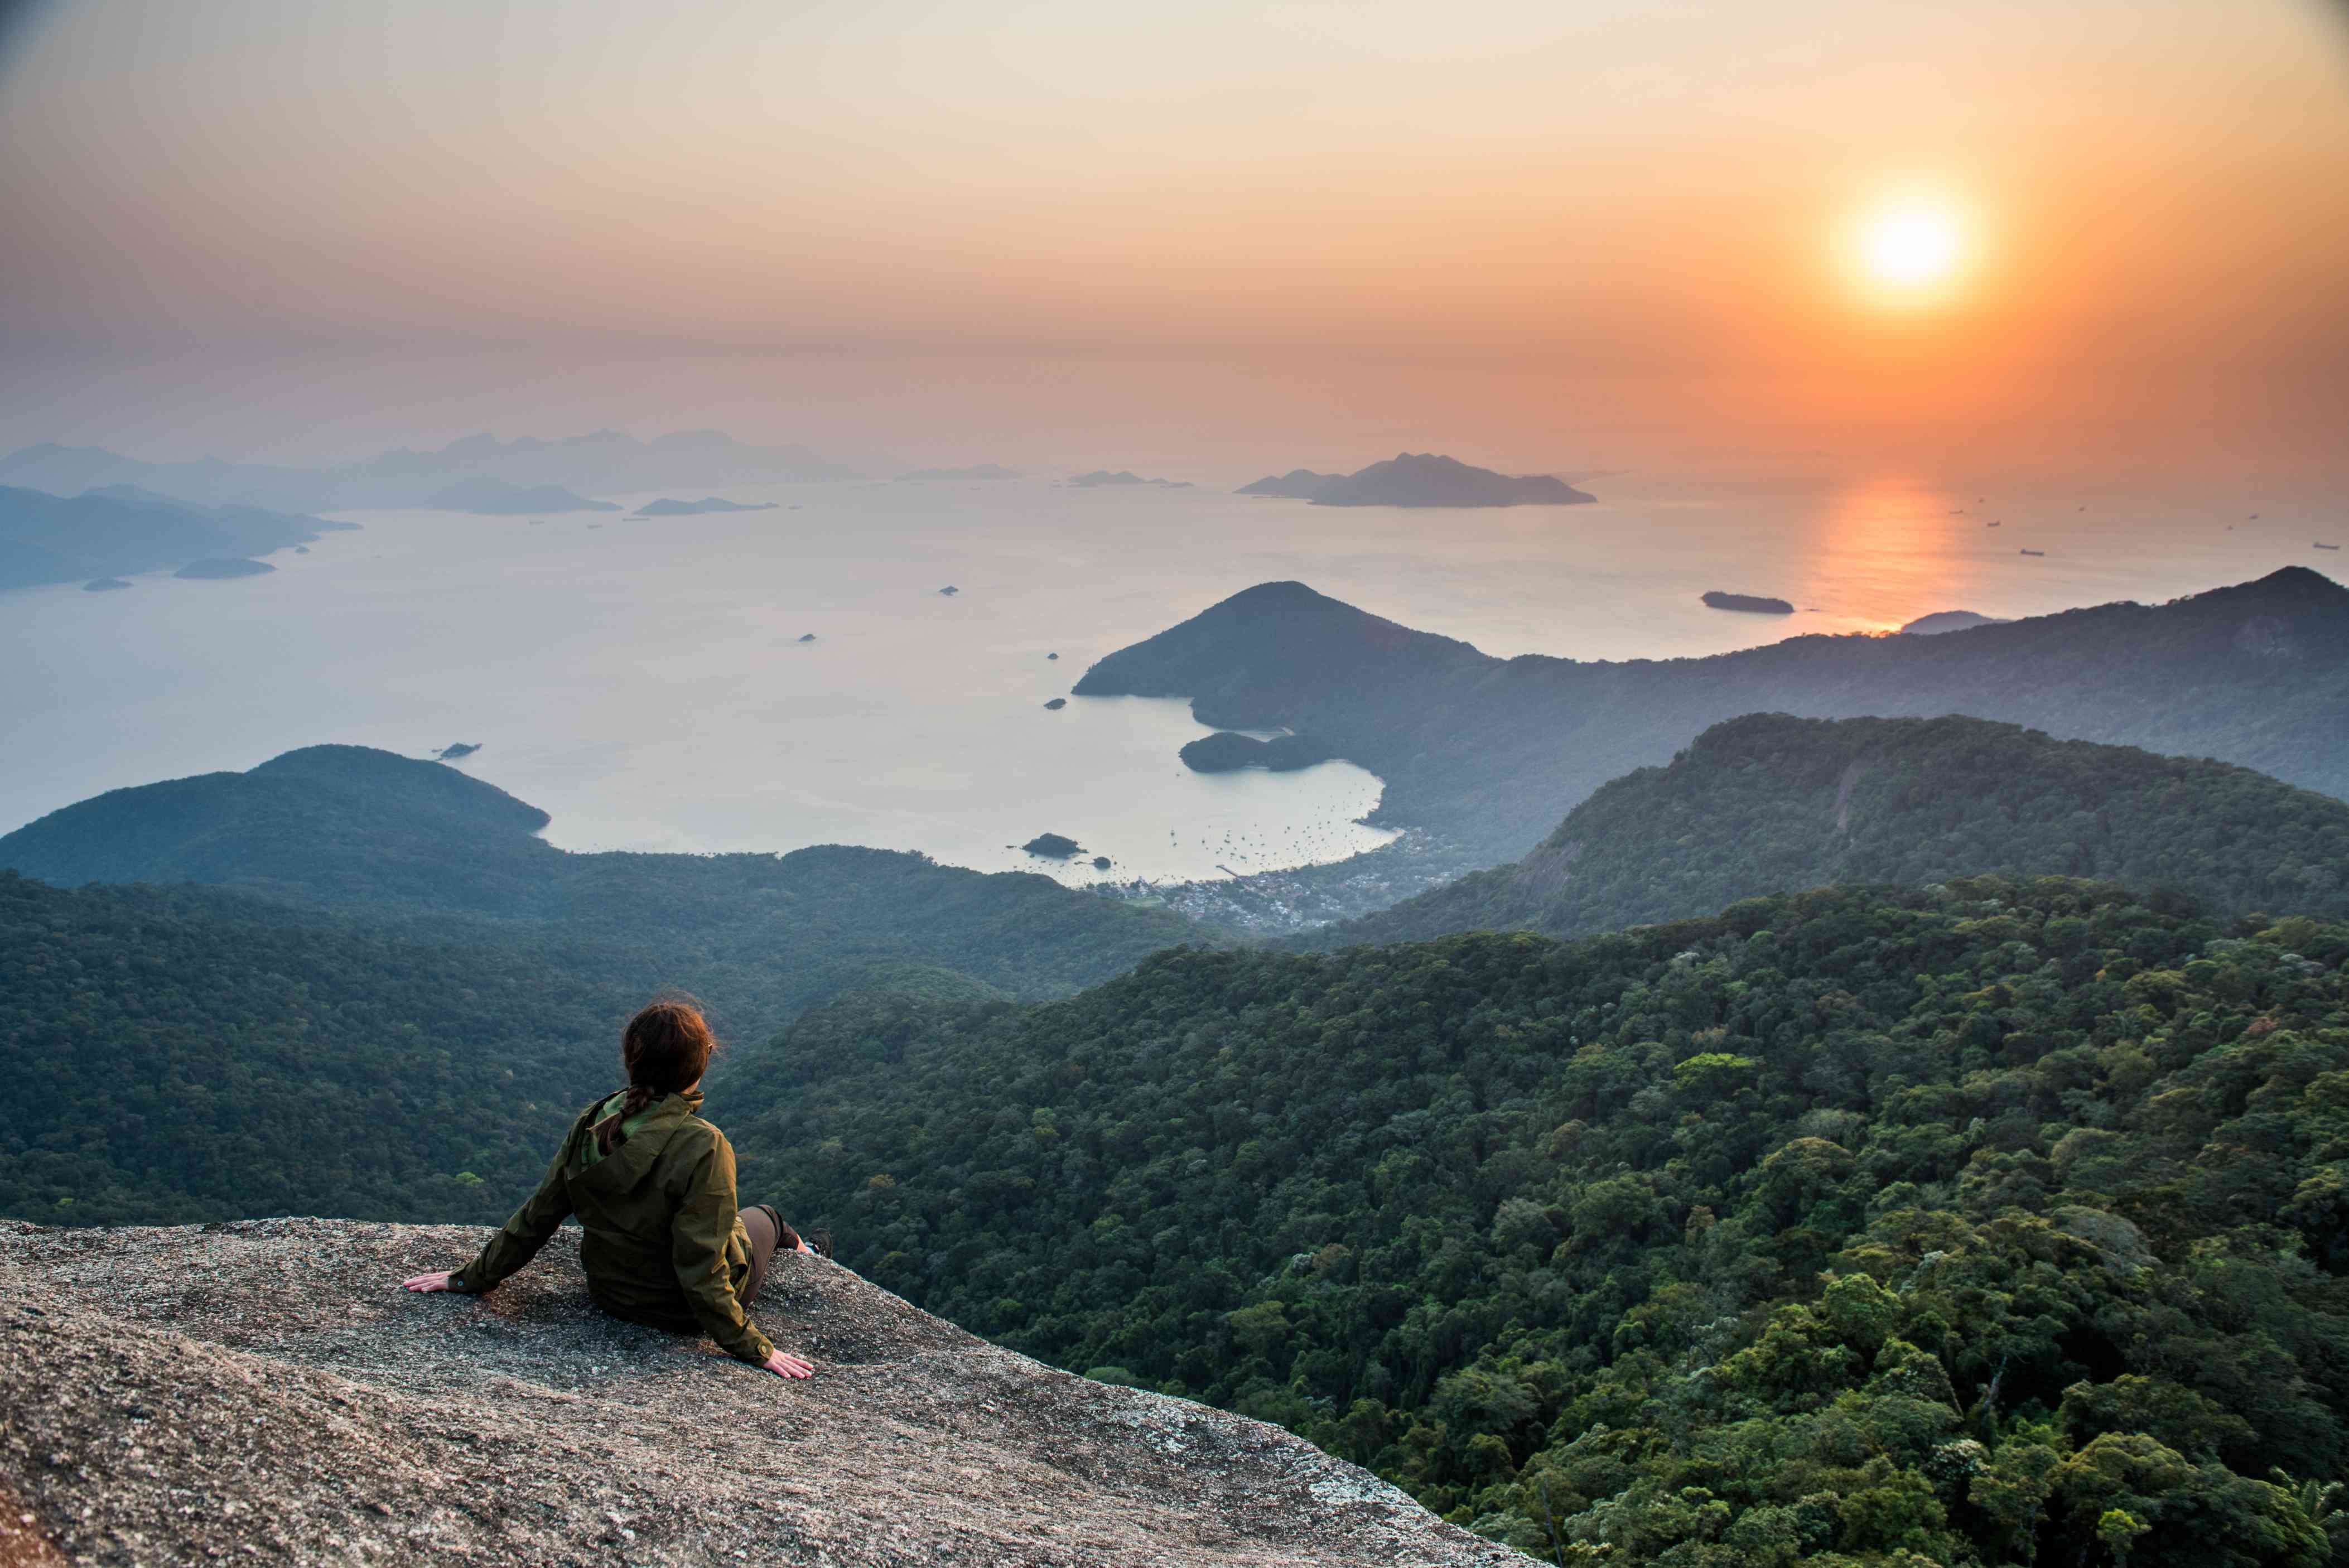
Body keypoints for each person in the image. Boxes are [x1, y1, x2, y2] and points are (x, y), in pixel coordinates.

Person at [402, 998, 816, 1381]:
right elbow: (702, 1267)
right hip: (678, 1313)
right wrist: (753, 1347)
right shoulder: (705, 1145)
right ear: (698, 1066)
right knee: (769, 1218)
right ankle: (812, 1255)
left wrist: (472, 1278)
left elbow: (538, 1215)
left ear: (632, 1060)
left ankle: (811, 1252)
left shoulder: (596, 1119)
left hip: (610, 1294)